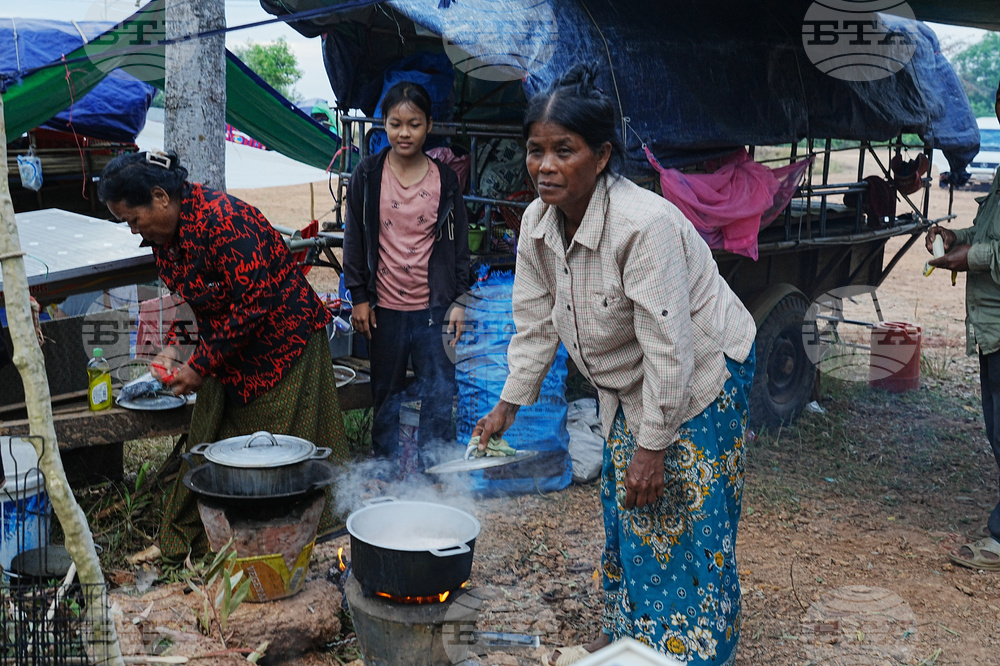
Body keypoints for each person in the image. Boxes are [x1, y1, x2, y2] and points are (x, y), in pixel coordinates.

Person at [472, 64, 757, 666]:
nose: (545, 166)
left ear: (601, 156)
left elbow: (670, 348)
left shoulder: (642, 226)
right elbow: (536, 322)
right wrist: (506, 406)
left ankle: (694, 650)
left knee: (687, 511)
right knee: (629, 505)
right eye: (536, 150)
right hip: (630, 382)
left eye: (564, 150)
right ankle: (630, 632)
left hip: (701, 372)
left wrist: (652, 446)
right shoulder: (537, 224)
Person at [98, 150, 350, 561]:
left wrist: (199, 366)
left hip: (282, 346)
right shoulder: (164, 238)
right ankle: (188, 540)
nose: (133, 229)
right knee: (207, 442)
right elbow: (190, 300)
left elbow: (252, 305)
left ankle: (296, 540)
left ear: (160, 197)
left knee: (276, 454)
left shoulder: (226, 221)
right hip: (224, 351)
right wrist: (174, 347)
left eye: (133, 219)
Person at [342, 80, 470, 472]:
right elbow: (354, 238)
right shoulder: (368, 174)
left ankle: (434, 471)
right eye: (395, 124)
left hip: (434, 308)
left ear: (429, 125)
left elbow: (459, 245)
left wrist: (459, 300)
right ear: (384, 124)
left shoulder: (444, 180)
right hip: (385, 308)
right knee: (386, 393)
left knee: (438, 393)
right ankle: (385, 470)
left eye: (414, 124)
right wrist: (359, 296)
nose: (404, 133)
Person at [927, 80, 1000, 571]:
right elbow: (990, 231)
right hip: (992, 326)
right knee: (997, 427)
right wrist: (958, 237)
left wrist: (966, 257)